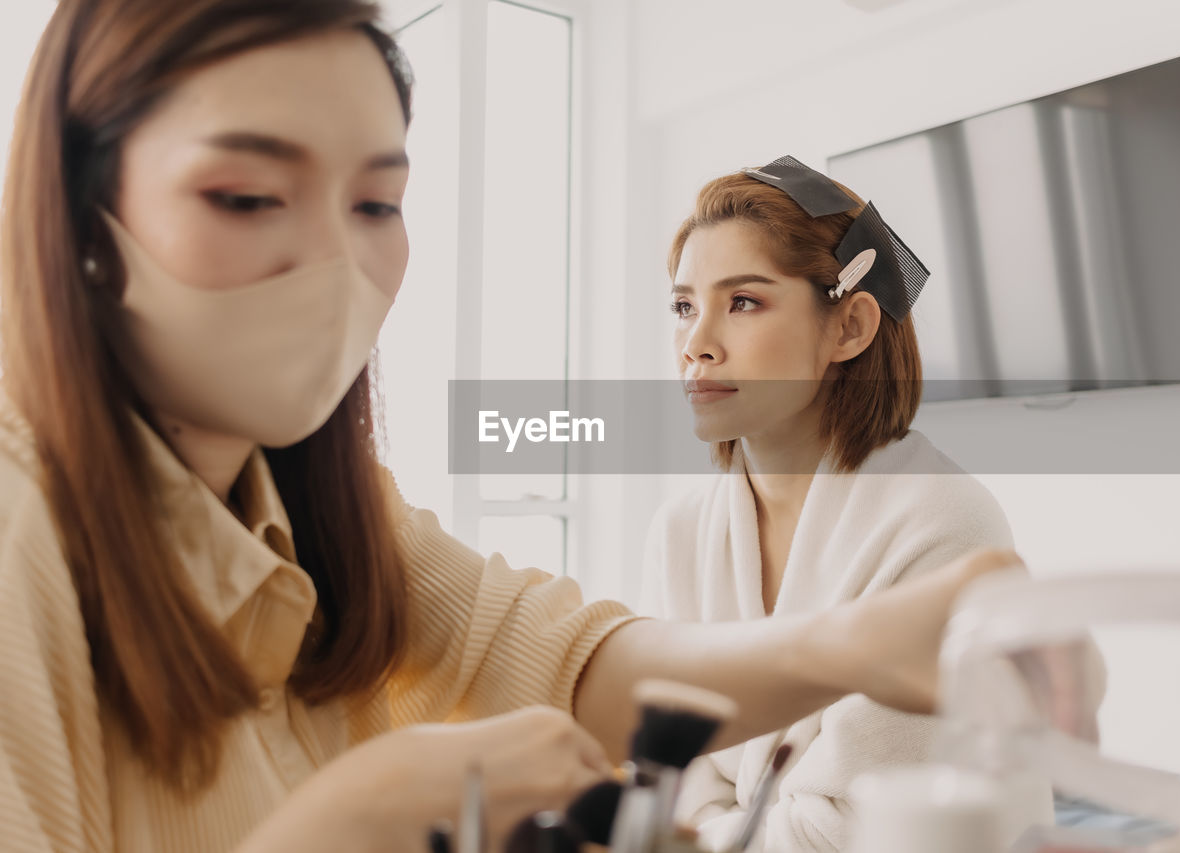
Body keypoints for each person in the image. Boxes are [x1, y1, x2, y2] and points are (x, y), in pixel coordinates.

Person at [0, 3, 1022, 852]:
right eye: (246, 195)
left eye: (375, 203)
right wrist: (350, 822)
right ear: (80, 212)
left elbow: (575, 668)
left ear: (848, 324)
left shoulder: (329, 516)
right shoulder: (22, 545)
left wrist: (861, 641)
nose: (335, 263)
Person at [641, 161, 1014, 851]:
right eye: (684, 306)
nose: (695, 344)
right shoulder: (682, 531)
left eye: (743, 302)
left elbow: (851, 829)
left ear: (849, 326)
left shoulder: (943, 523)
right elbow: (674, 776)